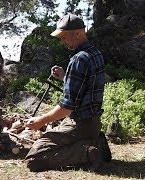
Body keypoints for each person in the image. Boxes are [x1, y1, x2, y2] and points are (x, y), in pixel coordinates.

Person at [24, 13, 111, 171]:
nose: (61, 41)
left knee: (34, 159)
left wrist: (41, 121)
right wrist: (65, 77)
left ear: (77, 33)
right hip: (93, 123)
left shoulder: (78, 59)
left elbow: (67, 107)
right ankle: (94, 141)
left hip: (79, 124)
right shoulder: (95, 54)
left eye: (63, 37)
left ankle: (88, 152)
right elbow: (84, 88)